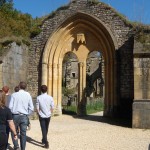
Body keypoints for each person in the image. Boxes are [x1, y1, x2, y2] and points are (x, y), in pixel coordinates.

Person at [9, 82, 34, 150]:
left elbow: (10, 107)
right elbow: (31, 108)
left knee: (13, 131)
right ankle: (23, 149)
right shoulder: (28, 95)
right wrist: (26, 114)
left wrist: (12, 114)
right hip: (24, 116)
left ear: (19, 86)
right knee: (23, 134)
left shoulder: (14, 95)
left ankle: (16, 146)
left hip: (15, 116)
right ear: (25, 87)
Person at [36, 85, 54, 149]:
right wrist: (50, 113)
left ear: (41, 90)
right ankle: (44, 139)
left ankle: (45, 142)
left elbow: (37, 108)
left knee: (43, 128)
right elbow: (52, 107)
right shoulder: (50, 97)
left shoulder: (38, 97)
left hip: (42, 115)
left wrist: (39, 114)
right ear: (47, 90)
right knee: (46, 128)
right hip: (48, 115)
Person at [2, 86, 11, 150]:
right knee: (7, 131)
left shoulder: (1, 96)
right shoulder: (11, 97)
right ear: (8, 90)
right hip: (8, 114)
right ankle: (6, 144)